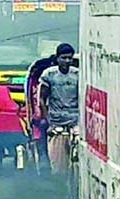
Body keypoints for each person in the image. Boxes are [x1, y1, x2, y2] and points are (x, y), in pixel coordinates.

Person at [39, 43, 79, 174]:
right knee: (58, 165)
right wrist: (48, 121)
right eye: (63, 58)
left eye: (69, 58)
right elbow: (42, 99)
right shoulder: (49, 75)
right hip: (56, 121)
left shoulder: (78, 75)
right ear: (57, 58)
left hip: (75, 121)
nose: (67, 61)